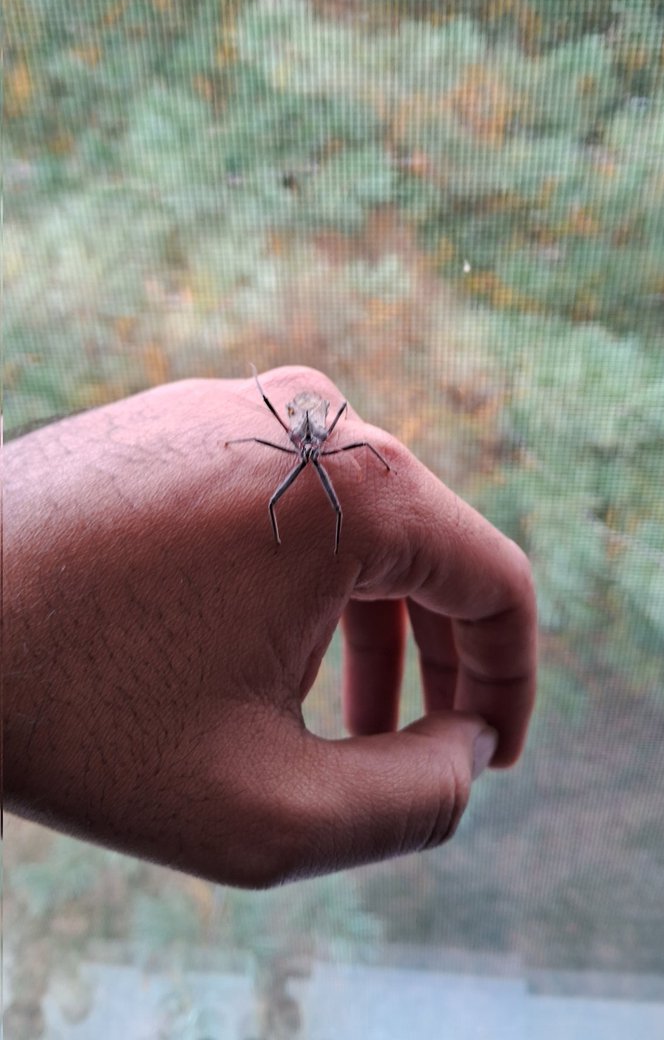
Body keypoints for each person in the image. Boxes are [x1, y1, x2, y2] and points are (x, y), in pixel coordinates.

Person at [4, 366, 537, 888]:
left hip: (316, 428)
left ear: (317, 441)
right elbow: (275, 466)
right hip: (300, 427)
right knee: (282, 496)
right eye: (305, 451)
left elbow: (352, 445)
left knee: (326, 495)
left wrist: (367, 459)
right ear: (299, 440)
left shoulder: (327, 452)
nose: (308, 459)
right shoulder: (293, 449)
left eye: (312, 451)